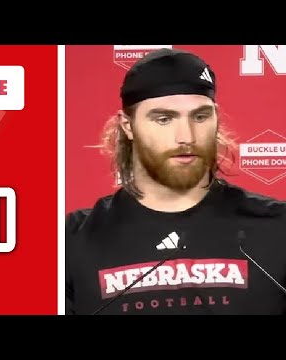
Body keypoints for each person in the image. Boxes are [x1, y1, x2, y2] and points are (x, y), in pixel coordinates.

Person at [65, 48, 286, 315]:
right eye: (164, 119)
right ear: (127, 125)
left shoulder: (278, 228)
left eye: (200, 116)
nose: (186, 136)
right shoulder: (72, 241)